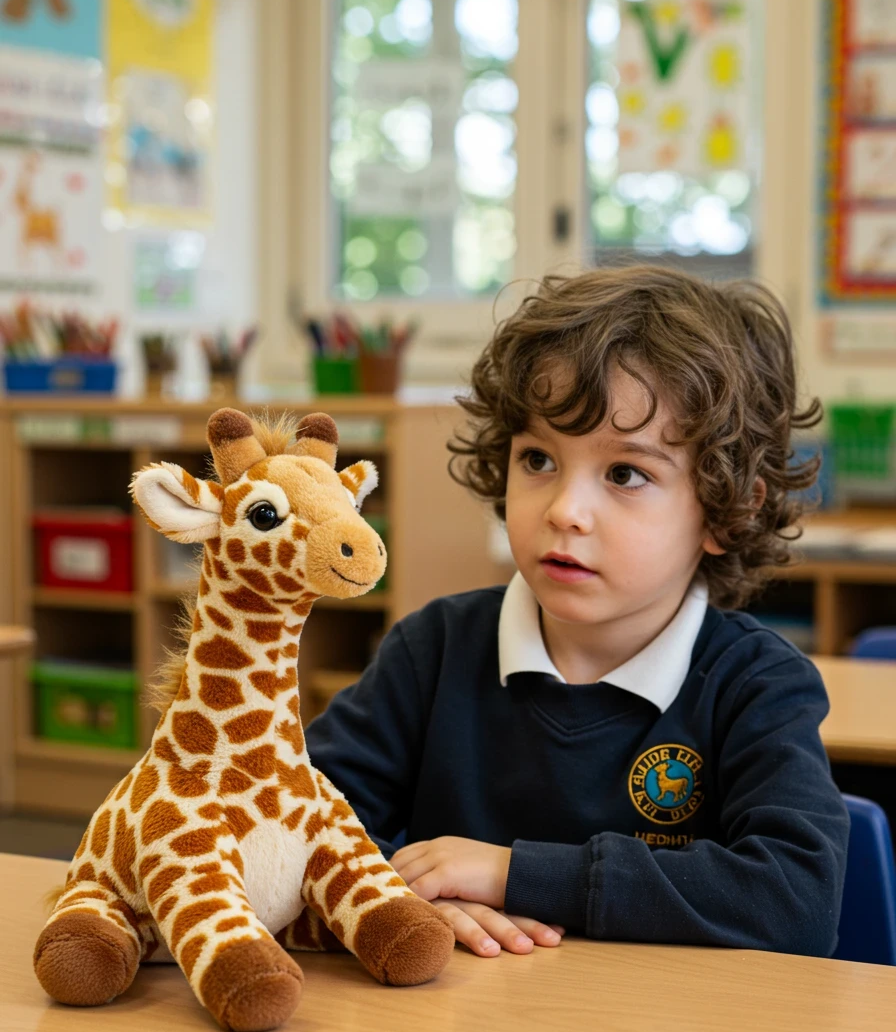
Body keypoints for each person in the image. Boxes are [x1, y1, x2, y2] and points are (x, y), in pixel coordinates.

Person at [305, 265, 850, 960]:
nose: (564, 509)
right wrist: (388, 898)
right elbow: (293, 824)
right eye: (538, 459)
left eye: (625, 474)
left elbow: (796, 901)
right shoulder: (433, 650)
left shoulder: (757, 684)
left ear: (730, 506)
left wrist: (515, 876)